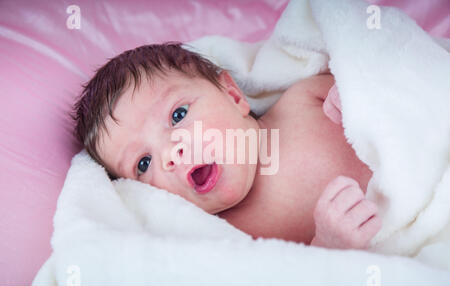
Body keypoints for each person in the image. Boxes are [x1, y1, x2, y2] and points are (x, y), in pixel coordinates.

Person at [72, 42, 381, 250]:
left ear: (233, 94)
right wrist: (327, 246)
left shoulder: (301, 104)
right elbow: (285, 282)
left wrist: (359, 96)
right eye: (143, 163)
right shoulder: (228, 238)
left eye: (178, 115)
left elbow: (392, 80)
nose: (170, 153)